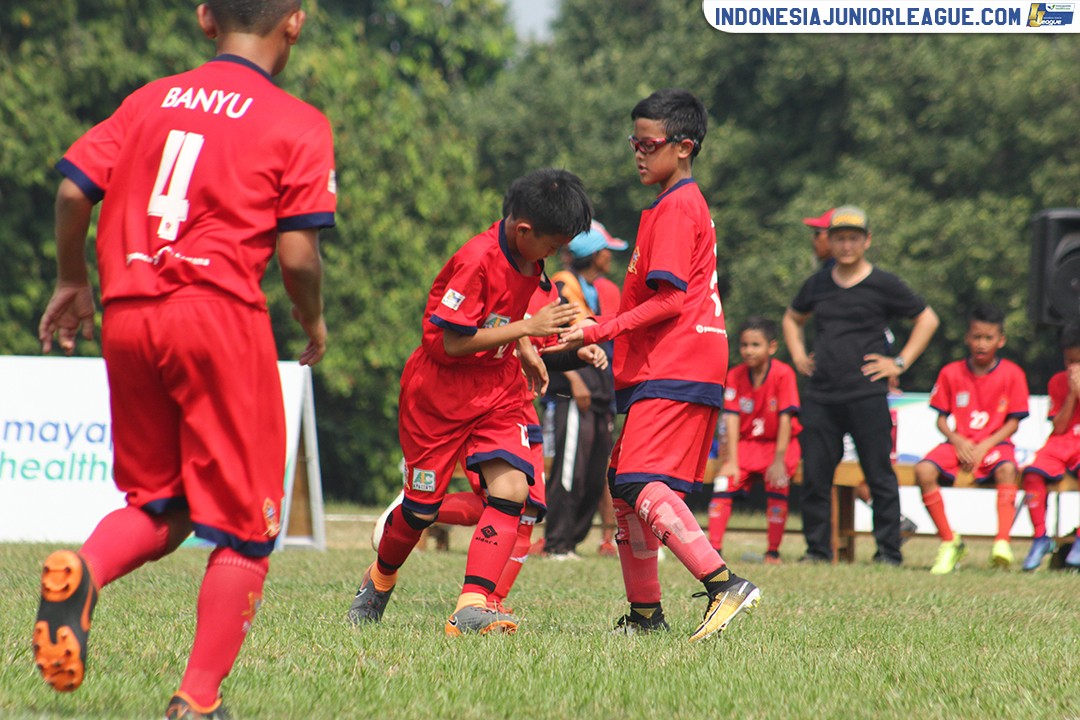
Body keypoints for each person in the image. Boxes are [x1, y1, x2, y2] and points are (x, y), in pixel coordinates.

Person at [31, 2, 333, 718]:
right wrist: (312, 316)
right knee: (245, 526)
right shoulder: (296, 121)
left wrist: (72, 278)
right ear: (294, 22)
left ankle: (87, 571)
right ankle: (196, 701)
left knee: (161, 502)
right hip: (219, 316)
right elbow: (297, 252)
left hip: (130, 313)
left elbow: (74, 188)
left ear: (205, 18)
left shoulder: (148, 99)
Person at [346, 168, 591, 636]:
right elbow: (454, 344)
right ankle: (378, 582)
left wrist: (529, 349)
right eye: (553, 243)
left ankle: (472, 606)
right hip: (437, 395)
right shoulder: (476, 260)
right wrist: (525, 332)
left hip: (496, 390)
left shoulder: (531, 261)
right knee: (419, 511)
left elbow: (517, 314)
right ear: (524, 231)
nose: (555, 254)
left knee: (513, 490)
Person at [559, 88, 759, 642]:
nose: (639, 153)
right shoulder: (674, 204)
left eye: (649, 144)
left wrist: (596, 328)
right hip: (675, 359)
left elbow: (669, 300)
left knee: (638, 480)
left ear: (684, 146)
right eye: (635, 142)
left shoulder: (676, 207)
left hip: (679, 358)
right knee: (622, 485)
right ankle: (646, 614)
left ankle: (723, 584)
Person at [783, 205, 939, 565]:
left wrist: (899, 362)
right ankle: (817, 551)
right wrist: (798, 355)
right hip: (822, 393)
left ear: (867, 241)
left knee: (879, 474)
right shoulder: (818, 283)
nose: (846, 245)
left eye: (853, 238)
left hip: (867, 393)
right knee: (817, 477)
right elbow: (792, 318)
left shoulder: (883, 283)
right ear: (829, 241)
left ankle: (888, 552)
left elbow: (927, 319)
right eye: (839, 238)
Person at [915, 304, 1029, 573]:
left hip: (994, 445)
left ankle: (1002, 542)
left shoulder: (1013, 374)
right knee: (923, 470)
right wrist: (957, 440)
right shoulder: (950, 372)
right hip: (960, 444)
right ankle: (949, 542)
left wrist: (985, 445)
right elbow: (941, 419)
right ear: (967, 337)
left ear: (1000, 340)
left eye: (988, 338)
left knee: (1007, 469)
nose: (981, 343)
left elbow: (1013, 422)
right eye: (976, 337)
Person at [543, 221, 627, 559]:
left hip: (600, 393)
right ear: (592, 254)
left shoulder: (592, 290)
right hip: (574, 393)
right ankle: (557, 543)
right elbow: (552, 339)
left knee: (594, 473)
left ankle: (572, 542)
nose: (610, 256)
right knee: (570, 470)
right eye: (606, 249)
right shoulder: (563, 286)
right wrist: (575, 380)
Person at [708, 316, 801, 564]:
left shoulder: (784, 374)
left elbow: (785, 419)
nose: (749, 351)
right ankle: (713, 551)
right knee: (724, 483)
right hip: (745, 446)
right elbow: (730, 419)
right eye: (744, 345)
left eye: (755, 345)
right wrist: (730, 461)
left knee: (778, 483)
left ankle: (773, 552)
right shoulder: (735, 375)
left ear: (771, 347)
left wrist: (779, 460)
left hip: (779, 446)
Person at [1020, 321, 1080, 570]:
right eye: (1068, 362)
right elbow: (1058, 427)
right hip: (1061, 443)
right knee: (1033, 472)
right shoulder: (1058, 381)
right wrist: (1072, 395)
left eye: (1077, 361)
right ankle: (1040, 537)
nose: (1072, 368)